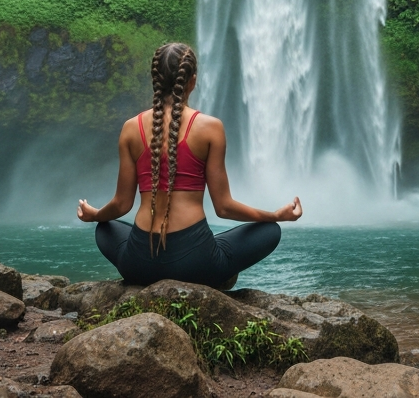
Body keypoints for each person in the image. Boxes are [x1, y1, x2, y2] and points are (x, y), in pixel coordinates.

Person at [76, 42, 302, 288]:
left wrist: (94, 215)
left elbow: (121, 204)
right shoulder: (210, 127)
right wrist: (276, 215)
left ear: (156, 79)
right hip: (195, 264)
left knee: (105, 227)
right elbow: (224, 208)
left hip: (139, 264)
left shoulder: (131, 128)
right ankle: (217, 274)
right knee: (270, 231)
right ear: (192, 81)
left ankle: (157, 267)